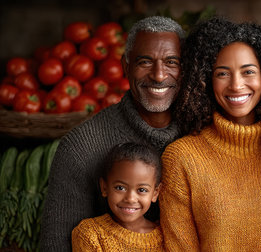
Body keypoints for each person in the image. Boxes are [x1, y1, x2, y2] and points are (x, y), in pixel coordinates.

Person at [159, 16, 261, 251]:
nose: (236, 85)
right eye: (222, 73)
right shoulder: (182, 158)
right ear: (205, 81)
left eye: (248, 72)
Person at [40, 16, 185, 251]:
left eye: (172, 62)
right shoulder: (81, 148)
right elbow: (56, 245)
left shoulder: (204, 133)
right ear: (125, 66)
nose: (159, 75)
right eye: (145, 62)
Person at [71, 142, 163, 251]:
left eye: (142, 190)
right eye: (120, 188)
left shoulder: (165, 236)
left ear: (155, 193)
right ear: (104, 188)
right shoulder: (90, 234)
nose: (130, 198)